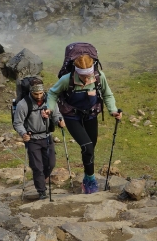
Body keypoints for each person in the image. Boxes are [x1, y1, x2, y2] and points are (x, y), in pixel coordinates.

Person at [48, 54, 122, 194]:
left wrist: (113, 110)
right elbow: (52, 93)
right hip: (72, 117)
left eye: (89, 75)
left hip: (90, 115)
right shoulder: (67, 79)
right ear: (76, 72)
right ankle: (90, 180)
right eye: (83, 77)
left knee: (90, 148)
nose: (87, 79)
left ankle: (86, 177)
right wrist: (49, 109)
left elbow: (107, 94)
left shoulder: (99, 76)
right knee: (87, 146)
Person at [13, 77, 64, 200]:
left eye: (41, 93)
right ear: (31, 92)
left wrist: (59, 121)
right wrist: (23, 134)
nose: (39, 96)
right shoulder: (23, 104)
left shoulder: (50, 101)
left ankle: (40, 180)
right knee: (37, 167)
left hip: (47, 137)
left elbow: (56, 114)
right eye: (36, 94)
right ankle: (41, 191)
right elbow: (17, 123)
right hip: (32, 139)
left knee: (50, 164)